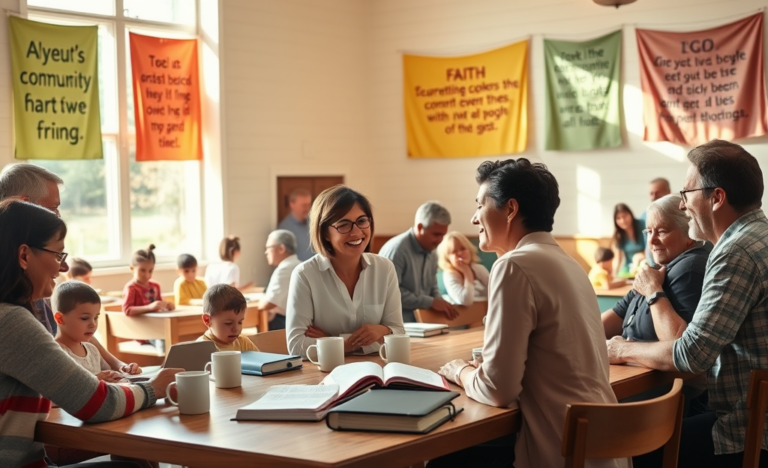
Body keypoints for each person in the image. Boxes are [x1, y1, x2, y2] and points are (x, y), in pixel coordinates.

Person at [433, 159, 628, 468]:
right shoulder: (570, 264)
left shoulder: (513, 266)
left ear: (510, 209)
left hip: (563, 451)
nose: (473, 218)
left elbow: (497, 390)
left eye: (479, 205)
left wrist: (460, 371)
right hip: (605, 447)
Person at [607, 140, 768, 468]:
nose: (682, 206)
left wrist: (621, 350)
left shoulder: (734, 252)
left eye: (686, 194)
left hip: (745, 433)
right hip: (750, 417)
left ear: (717, 197)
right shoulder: (759, 235)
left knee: (624, 451)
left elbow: (690, 356)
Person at [0, 199, 180, 468]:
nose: (63, 268)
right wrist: (153, 387)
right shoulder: (11, 321)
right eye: (58, 255)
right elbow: (96, 404)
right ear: (24, 256)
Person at [286, 185, 405, 358]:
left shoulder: (384, 268)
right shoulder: (305, 275)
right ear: (325, 232)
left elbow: (399, 333)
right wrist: (352, 343)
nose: (356, 232)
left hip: (376, 371)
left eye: (362, 221)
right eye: (344, 225)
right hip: (325, 376)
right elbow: (297, 346)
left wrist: (330, 342)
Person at [378, 201, 458, 322]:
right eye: (436, 234)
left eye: (443, 235)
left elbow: (433, 285)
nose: (440, 240)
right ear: (420, 227)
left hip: (424, 322)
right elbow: (389, 294)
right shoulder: (397, 250)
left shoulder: (432, 250)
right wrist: (430, 302)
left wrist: (440, 302)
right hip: (397, 325)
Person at [53, 281, 140, 382]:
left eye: (96, 317)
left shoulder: (92, 350)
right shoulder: (56, 353)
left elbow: (110, 374)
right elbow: (64, 388)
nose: (93, 324)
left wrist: (126, 370)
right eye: (85, 318)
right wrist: (95, 380)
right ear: (60, 319)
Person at [257, 229, 301, 330]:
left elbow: (268, 303)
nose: (266, 252)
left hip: (283, 323)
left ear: (281, 248)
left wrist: (261, 303)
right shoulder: (297, 264)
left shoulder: (285, 269)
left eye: (268, 248)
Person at [197, 284, 259, 352]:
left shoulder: (243, 343)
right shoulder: (200, 347)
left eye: (240, 322)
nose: (236, 329)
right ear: (208, 320)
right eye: (228, 323)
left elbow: (261, 361)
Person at [436, 231, 489, 305]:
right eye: (454, 251)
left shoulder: (479, 269)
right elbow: (466, 301)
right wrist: (467, 272)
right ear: (447, 258)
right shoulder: (449, 274)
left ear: (469, 250)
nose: (460, 253)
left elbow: (495, 292)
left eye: (463, 248)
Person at [122, 245, 175, 316]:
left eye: (150, 271)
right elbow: (127, 310)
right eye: (142, 270)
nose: (147, 275)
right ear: (132, 268)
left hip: (155, 323)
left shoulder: (156, 286)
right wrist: (149, 308)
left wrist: (167, 306)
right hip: (139, 325)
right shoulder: (131, 288)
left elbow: (160, 307)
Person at [642, 177, 673, 266]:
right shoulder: (644, 215)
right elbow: (646, 244)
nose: (654, 197)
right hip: (651, 265)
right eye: (651, 193)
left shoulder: (677, 213)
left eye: (657, 192)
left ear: (668, 191)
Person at [278, 188, 313, 261]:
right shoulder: (285, 229)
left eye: (308, 204)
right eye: (303, 205)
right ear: (292, 205)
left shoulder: (314, 223)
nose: (307, 208)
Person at [612, 203, 646, 278]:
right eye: (618, 218)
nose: (623, 220)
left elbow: (650, 247)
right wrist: (614, 274)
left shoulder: (642, 225)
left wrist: (642, 255)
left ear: (630, 214)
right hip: (629, 267)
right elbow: (618, 259)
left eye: (625, 216)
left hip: (645, 263)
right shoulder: (618, 235)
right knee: (621, 276)